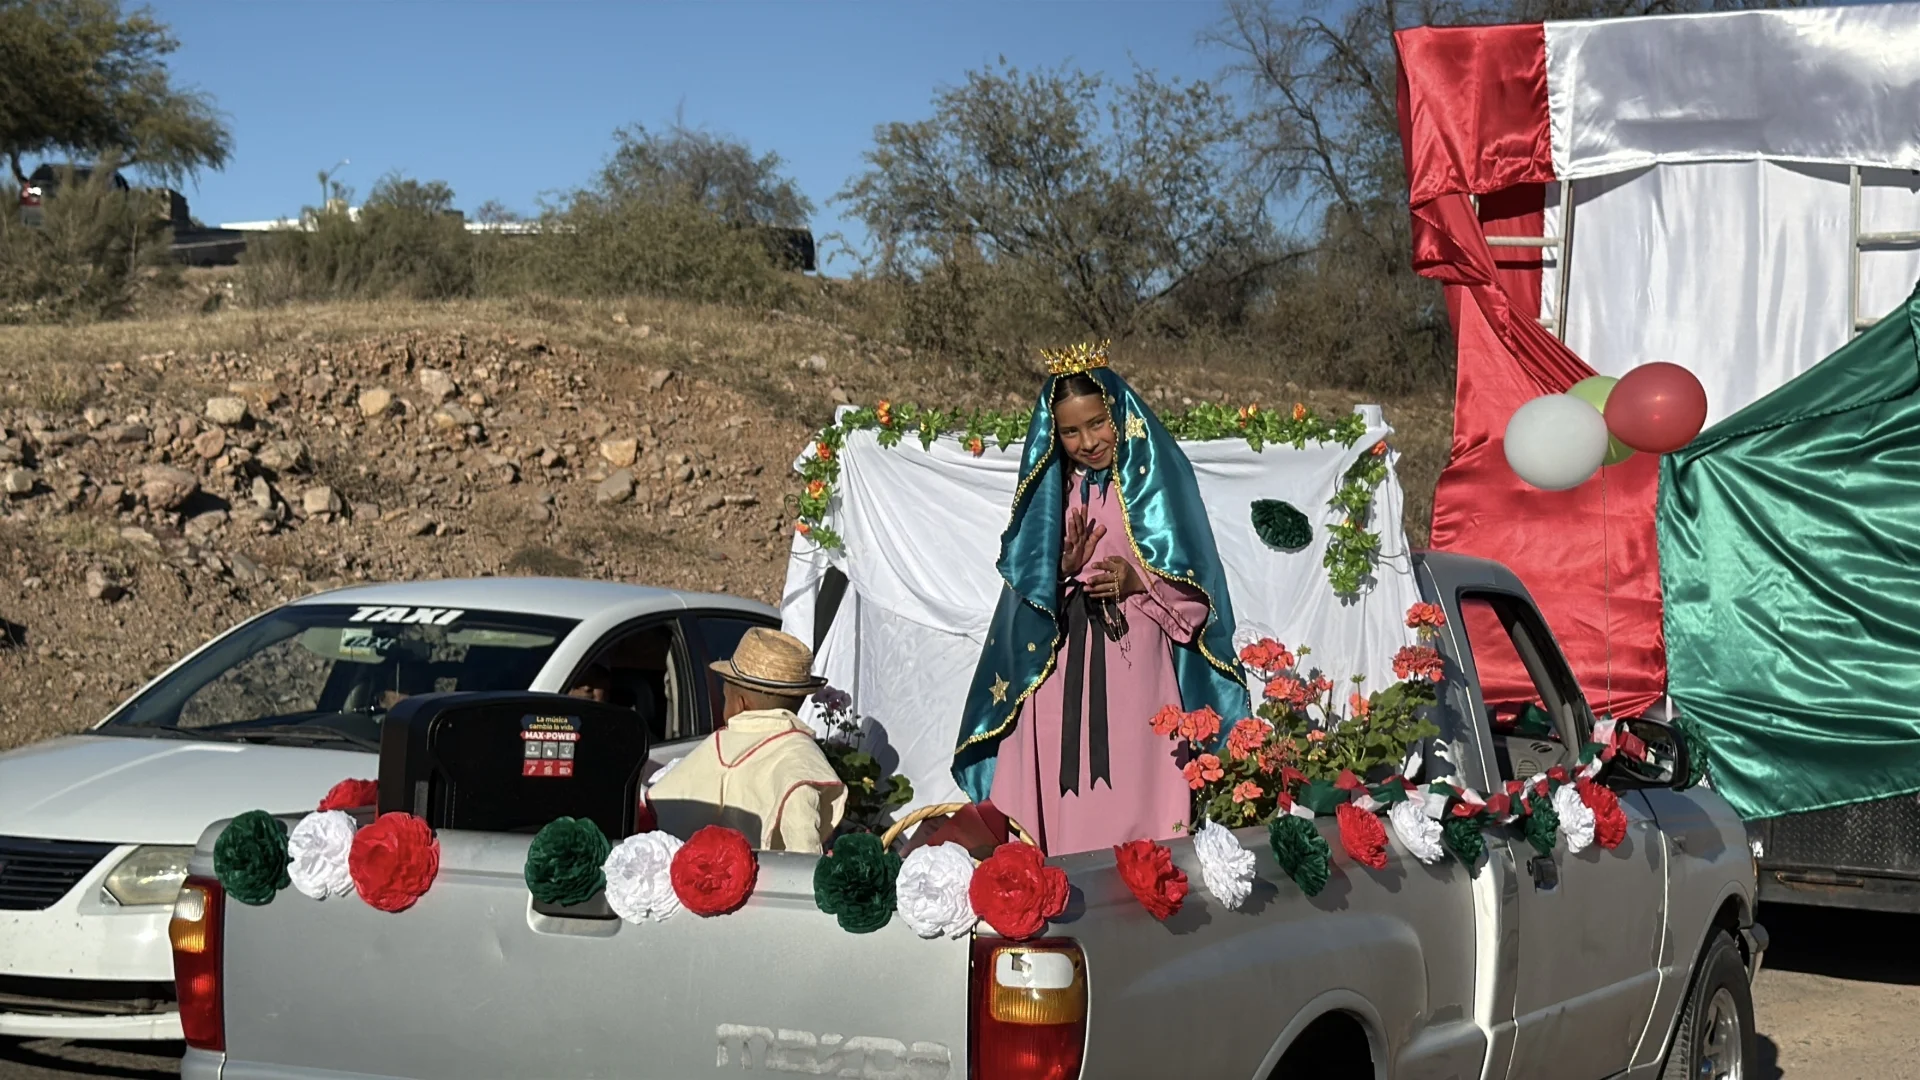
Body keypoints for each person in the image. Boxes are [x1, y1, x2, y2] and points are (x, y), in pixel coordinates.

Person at [953, 341, 1251, 856]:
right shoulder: (1054, 494)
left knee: (1137, 781)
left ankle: (1145, 883)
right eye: (1071, 431)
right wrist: (1059, 571)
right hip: (1059, 670)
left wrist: (1140, 582)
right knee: (1057, 790)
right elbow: (1026, 593)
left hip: (1135, 670)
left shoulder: (1153, 489)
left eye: (1096, 423)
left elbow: (1196, 594)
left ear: (1118, 415)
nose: (1088, 442)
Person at [646, 628, 847, 853]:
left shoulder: (715, 747)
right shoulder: (802, 760)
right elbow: (805, 853)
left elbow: (665, 805)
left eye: (725, 698)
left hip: (697, 872)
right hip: (771, 876)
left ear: (741, 703)